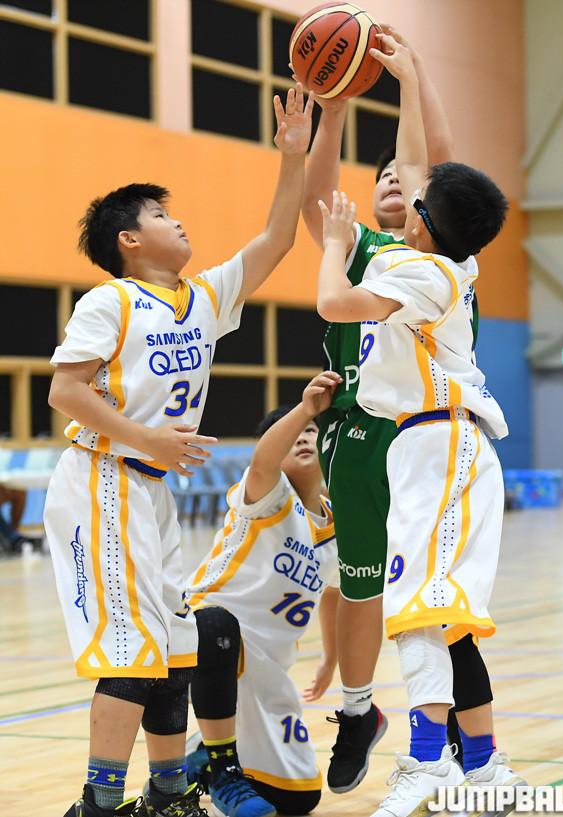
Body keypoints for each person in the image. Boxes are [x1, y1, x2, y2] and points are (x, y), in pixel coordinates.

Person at [44, 84, 314, 817]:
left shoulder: (202, 298)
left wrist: (292, 156)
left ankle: (167, 794)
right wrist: (147, 437)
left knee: (175, 647)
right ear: (129, 241)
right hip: (103, 478)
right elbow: (65, 391)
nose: (178, 220)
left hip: (152, 489)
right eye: (161, 215)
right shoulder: (110, 301)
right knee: (133, 653)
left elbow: (277, 240)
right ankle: (99, 803)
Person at [316, 34, 525, 817]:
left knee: (417, 610)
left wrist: (334, 246)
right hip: (429, 446)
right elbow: (415, 163)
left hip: (440, 441)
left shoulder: (421, 270)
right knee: (443, 617)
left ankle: (429, 761)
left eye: (415, 196)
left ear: (425, 219)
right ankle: (485, 771)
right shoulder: (451, 259)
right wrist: (408, 79)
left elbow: (333, 303)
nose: (403, 191)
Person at [184, 371, 341, 817]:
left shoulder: (337, 525)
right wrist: (306, 408)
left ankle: (201, 757)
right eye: (296, 432)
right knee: (216, 625)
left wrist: (330, 659)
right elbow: (262, 462)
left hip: (268, 663)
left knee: (299, 799)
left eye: (312, 431)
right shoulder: (269, 495)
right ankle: (221, 769)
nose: (305, 436)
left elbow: (335, 595)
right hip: (204, 632)